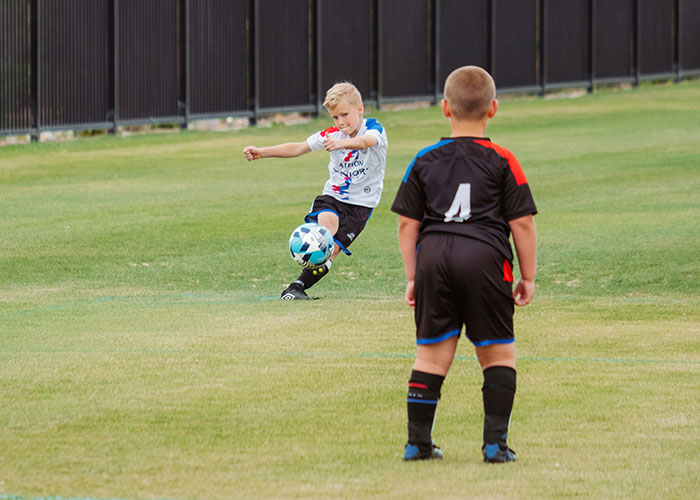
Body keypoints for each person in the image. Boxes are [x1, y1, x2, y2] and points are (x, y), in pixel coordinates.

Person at [390, 66, 537, 463]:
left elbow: (407, 222)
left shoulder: (423, 159)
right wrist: (527, 276)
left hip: (434, 259)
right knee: (498, 356)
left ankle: (417, 443)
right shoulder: (504, 160)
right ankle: (495, 445)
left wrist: (412, 275)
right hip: (486, 259)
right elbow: (521, 221)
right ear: (493, 108)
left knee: (431, 357)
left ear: (444, 108)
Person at [243, 82, 388, 300]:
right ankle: (295, 284)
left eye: (344, 115)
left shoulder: (374, 128)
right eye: (335, 118)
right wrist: (262, 152)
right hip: (333, 197)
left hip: (361, 205)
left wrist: (343, 145)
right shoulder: (332, 133)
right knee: (326, 232)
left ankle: (298, 286)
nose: (340, 122)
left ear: (360, 109)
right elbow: (299, 147)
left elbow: (367, 142)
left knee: (332, 251)